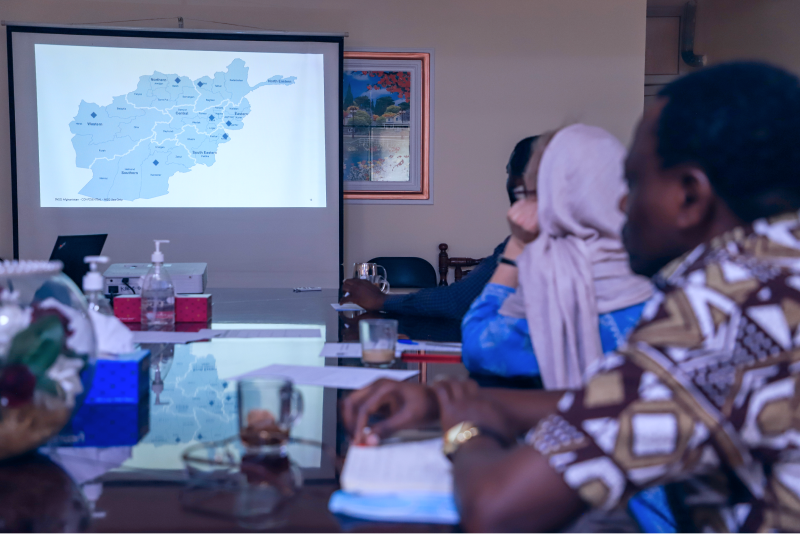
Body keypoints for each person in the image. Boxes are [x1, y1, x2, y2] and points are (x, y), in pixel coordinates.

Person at [341, 61, 800, 533]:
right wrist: (450, 403)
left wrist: (465, 429)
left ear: (689, 196)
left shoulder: (723, 306)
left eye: (634, 182)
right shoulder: (771, 278)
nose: (621, 203)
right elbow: (632, 398)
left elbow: (496, 509)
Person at [461, 125, 652, 386]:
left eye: (527, 194)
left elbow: (477, 347)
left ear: (549, 198)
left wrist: (516, 247)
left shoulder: (552, 276)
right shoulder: (659, 265)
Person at [339, 137, 539, 320]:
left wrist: (381, 300)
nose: (508, 183)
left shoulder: (530, 242)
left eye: (510, 172)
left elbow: (456, 301)